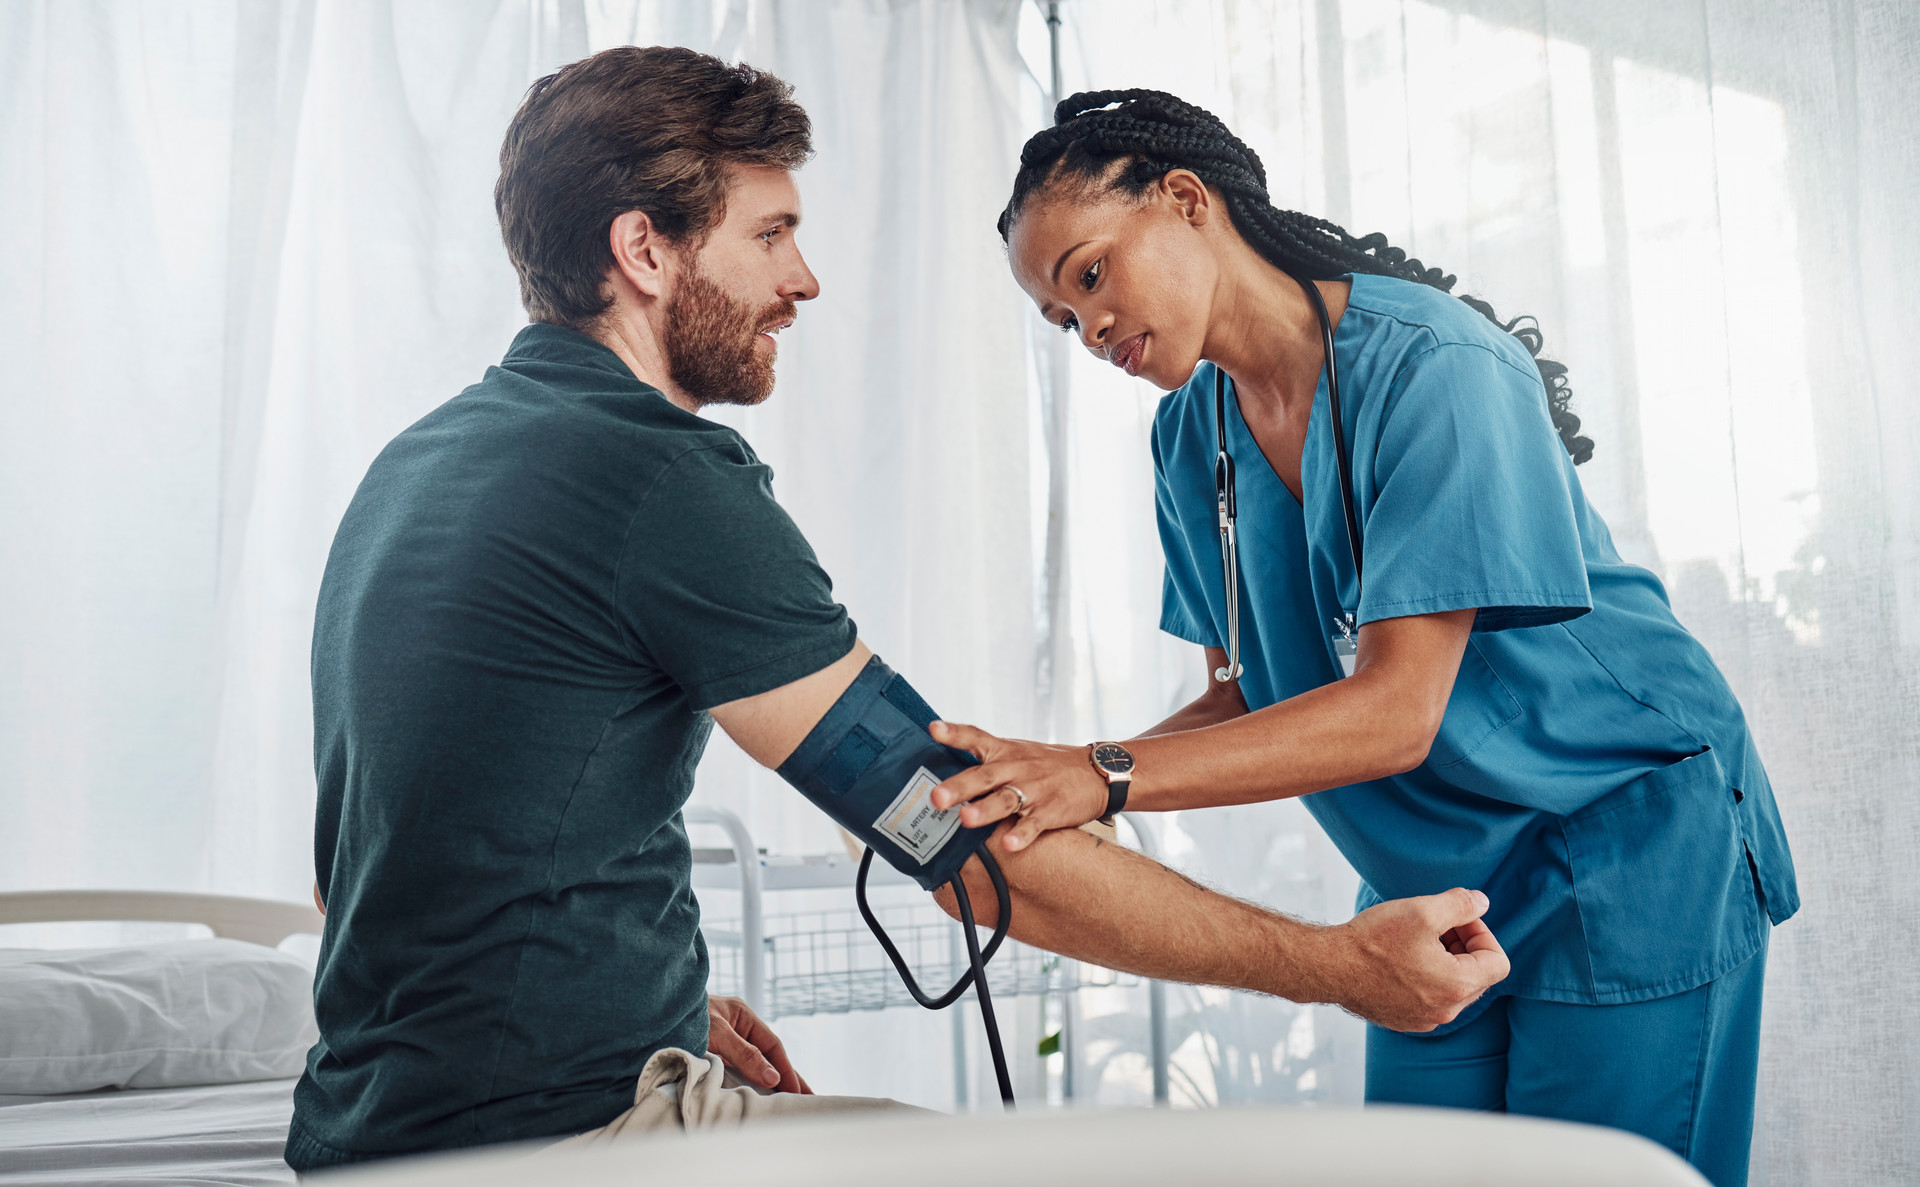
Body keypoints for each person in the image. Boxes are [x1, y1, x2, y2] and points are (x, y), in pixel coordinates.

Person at [287, 55, 1508, 1173]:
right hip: (566, 1140)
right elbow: (966, 854)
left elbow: (384, 848)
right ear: (646, 253)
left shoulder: (421, 463)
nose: (801, 280)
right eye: (771, 235)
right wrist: (1337, 967)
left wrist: (628, 1002)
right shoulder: (657, 478)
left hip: (373, 1131)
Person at [933, 89, 1799, 1187]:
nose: (1089, 328)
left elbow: (1395, 708)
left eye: (1091, 276)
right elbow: (1249, 691)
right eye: (1062, 318)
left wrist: (1099, 777)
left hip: (1629, 841)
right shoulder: (1189, 437)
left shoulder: (1439, 367)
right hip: (1429, 876)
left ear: (1187, 200)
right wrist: (1051, 782)